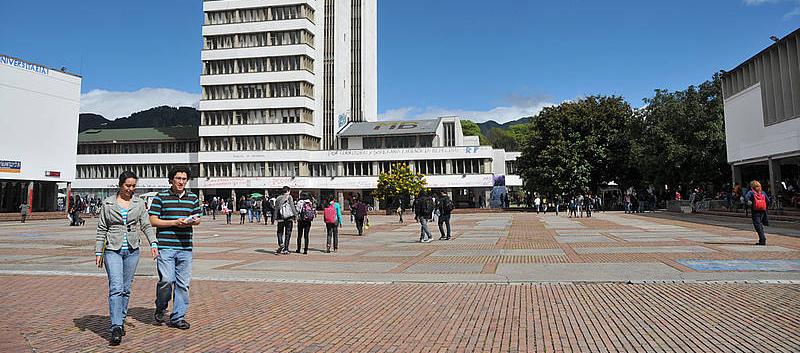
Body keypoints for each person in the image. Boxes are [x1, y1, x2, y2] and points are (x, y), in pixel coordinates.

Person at [95, 171, 159, 345]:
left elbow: (146, 225)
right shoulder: (108, 203)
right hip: (112, 250)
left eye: (133, 186)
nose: (131, 189)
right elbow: (102, 229)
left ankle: (121, 319)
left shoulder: (139, 203)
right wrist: (98, 251)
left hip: (132, 250)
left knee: (125, 288)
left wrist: (153, 243)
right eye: (127, 185)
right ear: (120, 185)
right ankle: (115, 326)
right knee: (115, 287)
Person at [148, 166, 201, 330]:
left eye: (184, 179)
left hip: (185, 247)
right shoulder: (161, 196)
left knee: (182, 284)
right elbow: (153, 220)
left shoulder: (192, 197)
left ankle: (178, 317)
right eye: (178, 178)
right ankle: (161, 306)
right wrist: (174, 222)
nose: (181, 182)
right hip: (165, 246)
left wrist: (192, 221)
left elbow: (198, 218)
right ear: (171, 179)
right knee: (167, 280)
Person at [745, 180, 770, 246]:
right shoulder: (763, 193)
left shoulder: (751, 192)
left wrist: (750, 203)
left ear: (752, 186)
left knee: (757, 225)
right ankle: (762, 239)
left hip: (755, 211)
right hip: (763, 210)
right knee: (760, 225)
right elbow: (768, 201)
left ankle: (762, 239)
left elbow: (746, 198)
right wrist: (764, 206)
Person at [274, 186, 298, 255]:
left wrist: (275, 217)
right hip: (288, 218)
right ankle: (286, 249)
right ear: (288, 191)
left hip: (280, 218)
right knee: (288, 233)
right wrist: (295, 216)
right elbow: (292, 207)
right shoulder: (289, 197)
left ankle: (281, 243)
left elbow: (276, 209)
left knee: (279, 232)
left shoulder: (278, 198)